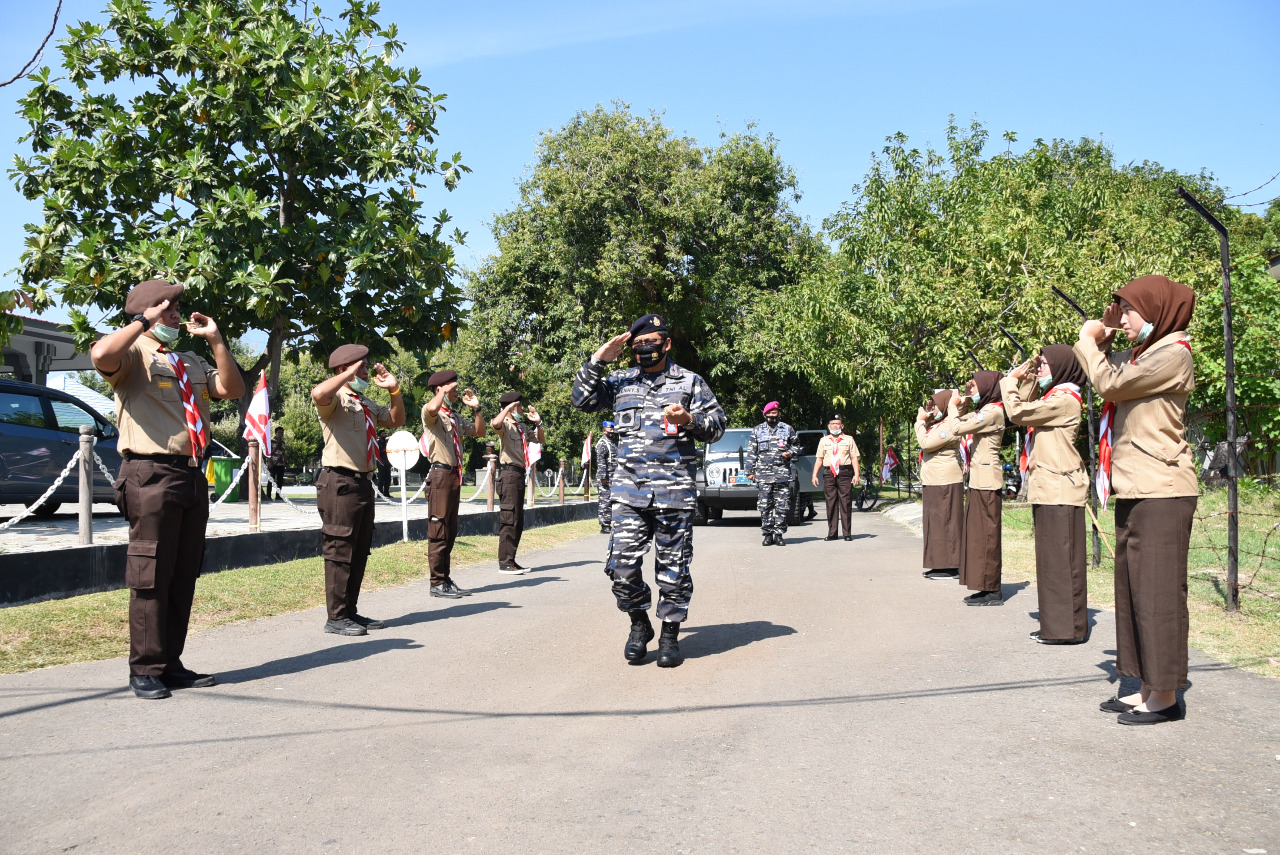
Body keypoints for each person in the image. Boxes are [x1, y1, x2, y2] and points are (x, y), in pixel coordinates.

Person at [91, 279, 246, 699]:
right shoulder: (132, 354)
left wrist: (216, 342)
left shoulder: (189, 359)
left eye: (178, 308)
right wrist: (143, 322)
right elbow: (100, 354)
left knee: (181, 574)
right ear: (148, 312)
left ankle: (170, 663)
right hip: (150, 473)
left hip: (193, 474)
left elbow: (232, 390)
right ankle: (144, 667)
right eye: (169, 308)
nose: (177, 315)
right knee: (150, 575)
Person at [1075, 275, 1197, 725]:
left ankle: (1165, 694)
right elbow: (1115, 371)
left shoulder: (1174, 353)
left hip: (1162, 490)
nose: (1122, 319)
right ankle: (1145, 684)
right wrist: (1108, 328)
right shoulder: (1149, 352)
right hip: (1136, 486)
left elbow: (1108, 382)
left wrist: (1089, 340)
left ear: (1156, 310)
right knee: (1133, 593)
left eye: (1129, 309)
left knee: (1158, 594)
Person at [571, 313, 726, 668]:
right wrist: (598, 360)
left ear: (666, 343)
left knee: (673, 569)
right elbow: (581, 401)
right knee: (621, 565)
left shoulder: (690, 382)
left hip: (674, 493)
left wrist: (689, 420)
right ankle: (639, 625)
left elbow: (717, 427)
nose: (645, 348)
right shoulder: (620, 382)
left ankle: (670, 634)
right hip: (629, 493)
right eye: (638, 344)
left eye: (651, 342)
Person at [311, 344, 405, 636]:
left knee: (359, 550)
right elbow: (317, 394)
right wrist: (348, 374)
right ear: (345, 369)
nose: (367, 372)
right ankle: (336, 616)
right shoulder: (335, 398)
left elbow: (395, 420)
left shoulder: (363, 402)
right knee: (339, 550)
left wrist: (394, 391)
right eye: (361, 367)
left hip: (363, 482)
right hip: (339, 482)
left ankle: (349, 611)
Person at [1001, 345, 1090, 643]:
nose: (1039, 369)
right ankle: (1057, 625)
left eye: (1045, 364)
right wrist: (1027, 379)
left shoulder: (1064, 400)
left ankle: (1068, 629)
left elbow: (1017, 412)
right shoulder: (1054, 397)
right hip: (1051, 487)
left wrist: (1010, 381)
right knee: (1052, 562)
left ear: (1064, 367)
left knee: (1062, 562)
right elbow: (1026, 408)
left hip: (1060, 488)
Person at [420, 370, 485, 598]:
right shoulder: (433, 414)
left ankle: (445, 579)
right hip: (439, 476)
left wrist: (477, 409)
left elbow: (479, 431)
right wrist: (443, 391)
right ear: (440, 390)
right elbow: (430, 409)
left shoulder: (454, 417)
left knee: (450, 531)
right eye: (452, 389)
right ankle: (436, 582)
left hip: (454, 476)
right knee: (438, 531)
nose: (456, 393)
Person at [947, 371, 1007, 605]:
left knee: (987, 535)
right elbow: (962, 420)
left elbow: (956, 429)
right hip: (978, 479)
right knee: (978, 536)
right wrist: (963, 403)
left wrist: (952, 406)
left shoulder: (994, 411)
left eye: (974, 385)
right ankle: (983, 585)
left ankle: (992, 589)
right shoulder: (985, 409)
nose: (970, 388)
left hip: (987, 480)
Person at [491, 391, 545, 574]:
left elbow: (540, 439)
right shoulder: (505, 425)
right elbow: (494, 424)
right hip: (508, 475)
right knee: (509, 519)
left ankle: (511, 560)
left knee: (517, 521)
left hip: (520, 474)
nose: (522, 409)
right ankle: (504, 563)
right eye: (519, 406)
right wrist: (507, 408)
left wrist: (539, 423)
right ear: (513, 407)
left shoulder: (521, 427)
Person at [917, 391, 964, 580]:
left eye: (936, 405)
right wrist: (927, 420)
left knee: (946, 523)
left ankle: (950, 565)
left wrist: (920, 422)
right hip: (935, 480)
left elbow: (926, 443)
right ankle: (938, 563)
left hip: (945, 480)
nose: (932, 409)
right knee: (935, 524)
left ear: (945, 406)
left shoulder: (949, 426)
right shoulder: (940, 424)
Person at [745, 401, 801, 546]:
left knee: (782, 505)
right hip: (763, 475)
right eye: (769, 414)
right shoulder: (757, 430)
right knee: (765, 505)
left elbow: (796, 445)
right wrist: (749, 471)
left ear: (779, 414)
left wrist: (790, 453)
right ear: (765, 415)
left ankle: (779, 534)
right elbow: (752, 452)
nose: (771, 416)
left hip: (782, 474)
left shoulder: (787, 429)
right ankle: (767, 534)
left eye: (774, 413)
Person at [810, 414, 859, 541]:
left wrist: (856, 475)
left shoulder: (849, 439)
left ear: (842, 426)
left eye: (837, 424)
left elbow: (854, 458)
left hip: (844, 472)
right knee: (831, 503)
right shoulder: (824, 440)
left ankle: (847, 533)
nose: (835, 426)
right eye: (832, 423)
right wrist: (814, 474)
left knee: (846, 502)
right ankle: (832, 533)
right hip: (829, 473)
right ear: (828, 426)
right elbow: (819, 459)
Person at [595, 421, 619, 534]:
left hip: (614, 477)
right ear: (604, 430)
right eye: (610, 430)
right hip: (605, 478)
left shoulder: (613, 442)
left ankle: (613, 521)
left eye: (613, 430)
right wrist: (603, 477)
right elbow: (601, 462)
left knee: (614, 501)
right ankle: (605, 524)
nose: (612, 432)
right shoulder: (602, 443)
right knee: (605, 501)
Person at [266, 425, 287, 501]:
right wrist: (269, 461)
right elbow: (267, 453)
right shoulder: (271, 442)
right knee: (271, 480)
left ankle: (278, 495)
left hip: (281, 464)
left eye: (282, 432)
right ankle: (268, 495)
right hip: (273, 463)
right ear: (275, 433)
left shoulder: (283, 443)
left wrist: (285, 460)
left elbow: (283, 452)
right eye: (279, 432)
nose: (281, 434)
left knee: (280, 481)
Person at [376, 429, 392, 496]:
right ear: (380, 435)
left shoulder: (387, 442)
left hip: (387, 463)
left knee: (388, 479)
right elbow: (378, 452)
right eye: (383, 433)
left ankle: (386, 493)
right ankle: (380, 494)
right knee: (381, 479)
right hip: (381, 463)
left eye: (385, 433)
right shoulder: (378, 443)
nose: (385, 435)